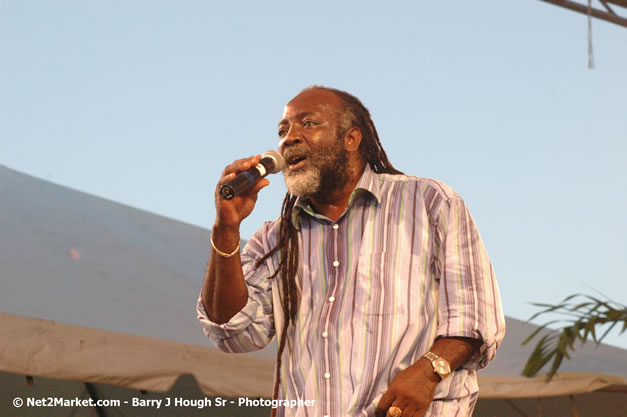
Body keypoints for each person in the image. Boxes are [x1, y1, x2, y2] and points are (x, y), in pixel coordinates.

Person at [197, 86, 505, 417]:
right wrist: (227, 229)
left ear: (352, 139)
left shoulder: (428, 202)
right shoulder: (276, 237)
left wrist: (429, 371)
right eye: (283, 131)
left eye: (308, 123)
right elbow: (233, 332)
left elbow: (474, 317)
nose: (289, 139)